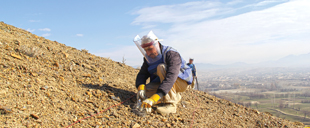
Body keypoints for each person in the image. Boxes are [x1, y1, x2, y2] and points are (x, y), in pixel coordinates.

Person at [134, 31, 193, 114]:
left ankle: (171, 104)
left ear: (157, 44)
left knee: (161, 67)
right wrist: (140, 87)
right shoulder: (148, 58)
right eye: (145, 50)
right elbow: (142, 74)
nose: (148, 53)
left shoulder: (171, 54)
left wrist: (154, 98)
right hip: (165, 84)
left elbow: (171, 76)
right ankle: (175, 96)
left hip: (180, 82)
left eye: (150, 49)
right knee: (145, 92)